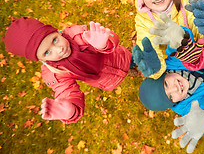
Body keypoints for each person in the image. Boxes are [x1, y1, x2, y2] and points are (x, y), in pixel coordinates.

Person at [2, 17, 132, 124]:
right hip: (109, 81)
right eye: (47, 52)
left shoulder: (77, 35)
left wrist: (104, 43)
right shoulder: (54, 72)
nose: (59, 49)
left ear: (57, 32)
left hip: (121, 56)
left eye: (54, 40)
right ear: (40, 59)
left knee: (136, 62)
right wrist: (70, 111)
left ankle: (135, 64)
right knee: (134, 75)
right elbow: (67, 92)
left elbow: (109, 36)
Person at [135, 22, 204, 154]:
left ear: (165, 73)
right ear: (174, 103)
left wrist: (179, 38)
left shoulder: (174, 63)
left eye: (166, 84)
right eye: (171, 96)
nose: (175, 88)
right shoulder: (187, 105)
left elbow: (181, 47)